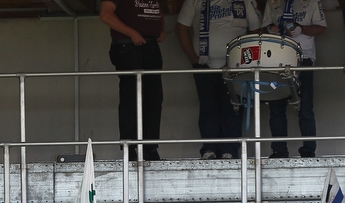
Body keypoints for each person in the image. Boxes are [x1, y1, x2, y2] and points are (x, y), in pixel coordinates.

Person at [176, 0, 262, 160]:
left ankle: (230, 150)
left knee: (233, 108)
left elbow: (257, 31)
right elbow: (181, 28)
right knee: (208, 106)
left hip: (236, 67)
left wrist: (246, 62)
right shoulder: (194, 1)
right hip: (204, 64)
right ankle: (209, 149)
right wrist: (193, 58)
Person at [100, 0, 165, 161]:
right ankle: (130, 148)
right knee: (132, 97)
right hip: (128, 46)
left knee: (154, 97)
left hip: (150, 45)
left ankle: (150, 148)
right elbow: (105, 14)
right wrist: (131, 33)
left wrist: (160, 29)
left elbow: (156, 11)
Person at [261, 0, 327, 158]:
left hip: (303, 57)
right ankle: (279, 150)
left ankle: (308, 150)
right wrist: (270, 29)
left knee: (305, 105)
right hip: (278, 59)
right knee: (276, 106)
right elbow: (263, 28)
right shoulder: (272, 2)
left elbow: (322, 27)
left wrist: (302, 29)